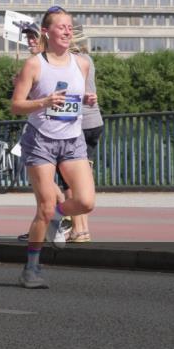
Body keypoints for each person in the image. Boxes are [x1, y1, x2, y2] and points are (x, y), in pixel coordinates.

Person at [11, 7, 98, 289]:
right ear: (46, 32)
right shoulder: (35, 64)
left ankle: (60, 216)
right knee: (45, 207)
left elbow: (74, 97)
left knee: (85, 201)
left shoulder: (81, 63)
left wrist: (87, 99)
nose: (67, 30)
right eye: (61, 27)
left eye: (70, 26)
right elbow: (16, 105)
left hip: (72, 139)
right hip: (41, 140)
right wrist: (44, 102)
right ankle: (32, 268)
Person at [69, 35, 102, 243]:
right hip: (95, 121)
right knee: (86, 179)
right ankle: (84, 228)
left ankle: (77, 229)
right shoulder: (88, 59)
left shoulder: (70, 62)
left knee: (72, 179)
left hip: (77, 124)